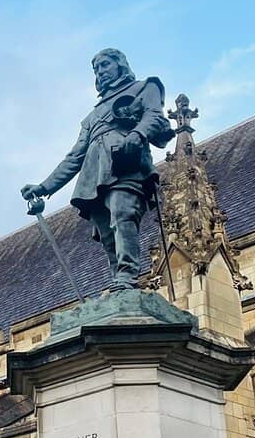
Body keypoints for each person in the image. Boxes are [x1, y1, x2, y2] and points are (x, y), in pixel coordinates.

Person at [21, 49, 173, 290]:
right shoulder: (92, 117)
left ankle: (127, 275)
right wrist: (44, 187)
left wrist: (137, 133)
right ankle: (119, 282)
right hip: (94, 175)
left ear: (120, 64)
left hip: (126, 164)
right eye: (96, 69)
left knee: (123, 213)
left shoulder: (145, 87)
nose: (101, 72)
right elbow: (75, 156)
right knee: (106, 233)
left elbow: (154, 116)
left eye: (105, 65)